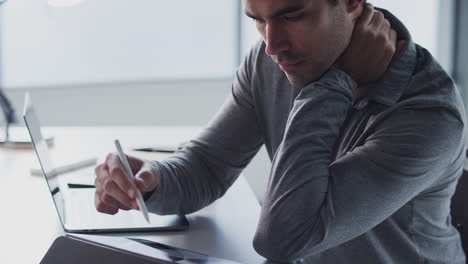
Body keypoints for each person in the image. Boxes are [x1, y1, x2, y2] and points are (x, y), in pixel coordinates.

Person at [94, 0, 466, 263]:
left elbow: (284, 238)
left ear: (352, 2)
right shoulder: (271, 61)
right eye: (258, 19)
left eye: (292, 15)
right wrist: (149, 180)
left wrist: (337, 81)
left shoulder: (430, 116)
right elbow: (207, 164)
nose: (272, 45)